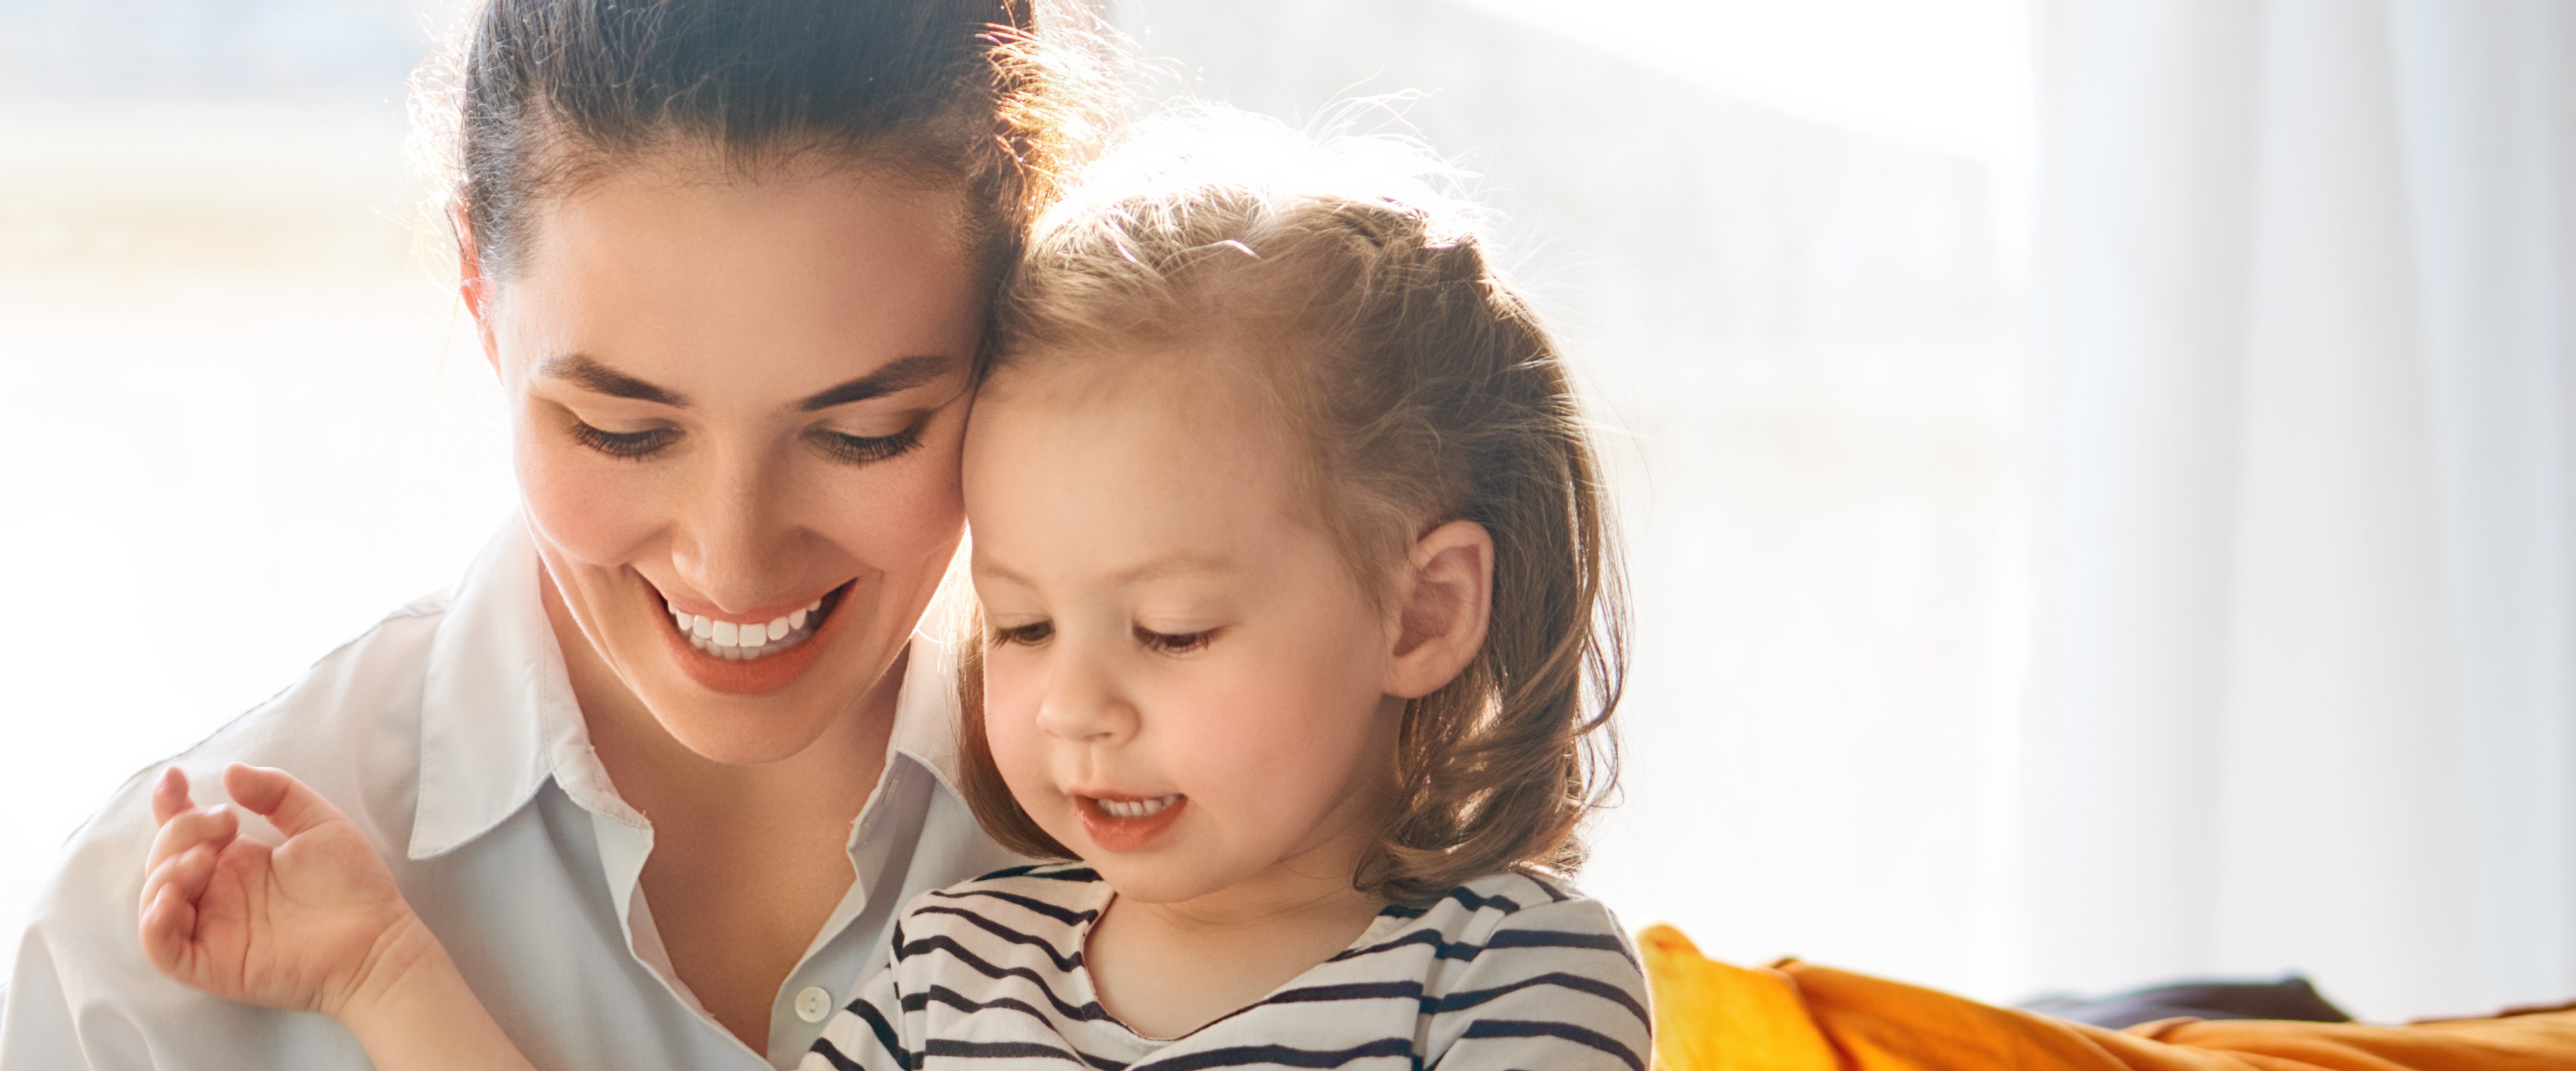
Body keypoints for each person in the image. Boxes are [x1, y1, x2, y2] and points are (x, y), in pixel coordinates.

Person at [134, 104, 1652, 1071]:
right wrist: (386, 971)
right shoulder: (952, 973)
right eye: (1023, 624)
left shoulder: (1507, 979)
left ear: (1423, 614)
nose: (1076, 710)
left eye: (1174, 630)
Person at [0, 1, 1108, 1068]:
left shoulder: (1230, 808)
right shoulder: (142, 967)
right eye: (621, 431)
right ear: (481, 301)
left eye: (866, 432)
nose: (732, 562)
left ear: (1019, 321)